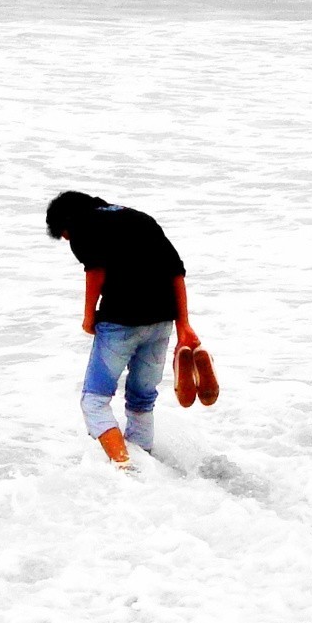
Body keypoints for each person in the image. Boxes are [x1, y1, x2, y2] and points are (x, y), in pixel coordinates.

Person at [46, 191, 203, 468]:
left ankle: (125, 468)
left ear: (67, 223)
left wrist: (87, 317)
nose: (69, 241)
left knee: (94, 401)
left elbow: (95, 271)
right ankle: (147, 465)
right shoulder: (141, 219)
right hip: (162, 321)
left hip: (120, 322)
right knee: (142, 400)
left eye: (65, 236)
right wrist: (184, 325)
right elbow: (176, 270)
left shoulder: (83, 224)